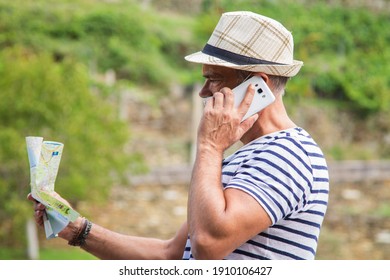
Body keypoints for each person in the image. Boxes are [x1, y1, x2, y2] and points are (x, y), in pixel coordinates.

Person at [29, 11, 329, 260]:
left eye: (213, 79)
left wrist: (210, 146)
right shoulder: (249, 156)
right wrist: (78, 229)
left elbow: (209, 244)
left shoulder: (289, 153)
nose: (203, 92)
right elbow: (172, 255)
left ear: (257, 86)